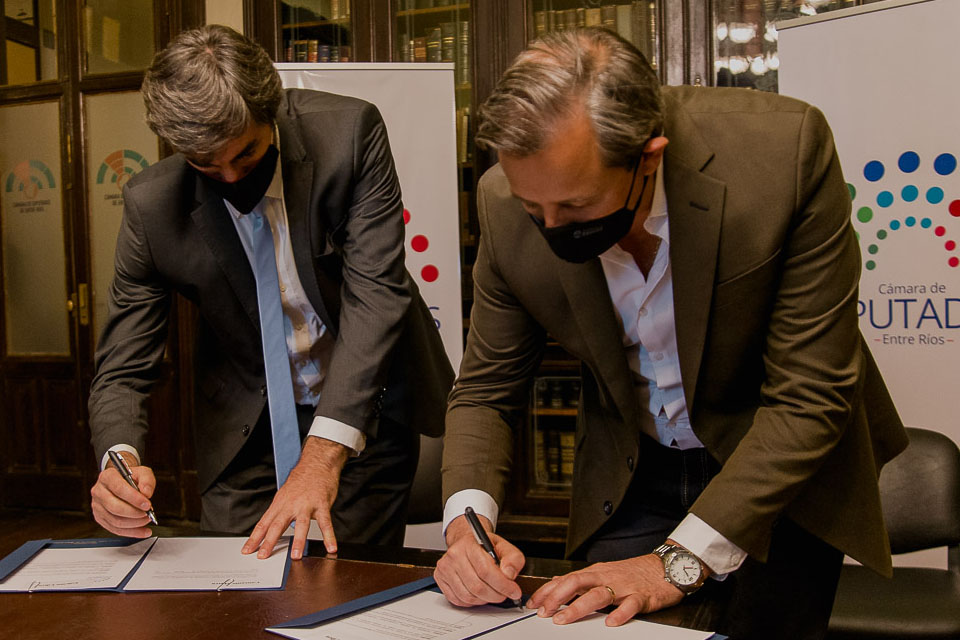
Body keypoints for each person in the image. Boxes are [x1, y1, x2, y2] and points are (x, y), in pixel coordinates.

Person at [434, 28, 906, 640]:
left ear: (648, 158)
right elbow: (485, 391)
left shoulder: (784, 154)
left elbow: (811, 395)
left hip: (778, 466)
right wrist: (466, 526)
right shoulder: (503, 202)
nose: (550, 225)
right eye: (533, 208)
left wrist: (675, 564)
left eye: (574, 207)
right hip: (633, 468)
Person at [88, 24, 453, 561]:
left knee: (347, 576)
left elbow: (377, 295)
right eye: (207, 166)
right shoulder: (151, 206)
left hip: (361, 407)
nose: (231, 178)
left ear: (271, 114)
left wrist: (323, 453)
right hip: (242, 424)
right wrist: (117, 461)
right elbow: (124, 364)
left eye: (246, 156)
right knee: (233, 584)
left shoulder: (349, 136)